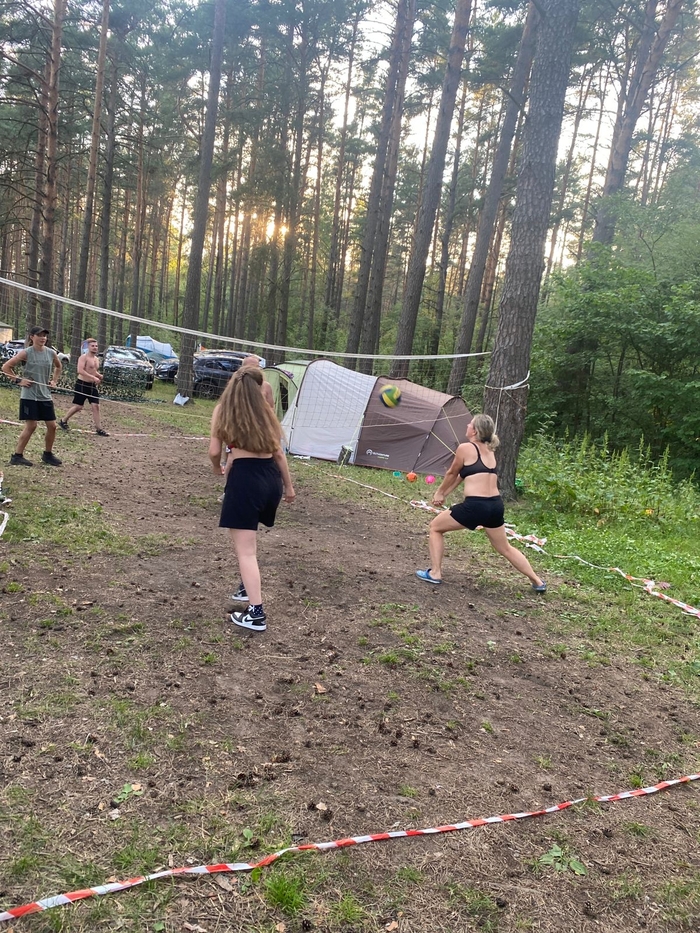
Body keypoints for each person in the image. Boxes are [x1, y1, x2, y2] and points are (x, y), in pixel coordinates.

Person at [416, 413, 546, 592]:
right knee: (505, 548)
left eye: (470, 424)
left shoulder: (465, 448)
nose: (467, 425)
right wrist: (444, 494)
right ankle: (537, 582)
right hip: (495, 506)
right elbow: (463, 475)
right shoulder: (489, 450)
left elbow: (452, 473)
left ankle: (435, 573)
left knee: (435, 527)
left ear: (475, 431)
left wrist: (439, 492)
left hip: (476, 506)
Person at [209, 366, 295, 633]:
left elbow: (214, 451)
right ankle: (247, 585)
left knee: (246, 551)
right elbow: (279, 454)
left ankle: (256, 614)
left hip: (245, 481)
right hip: (270, 480)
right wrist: (289, 488)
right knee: (249, 544)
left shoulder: (223, 411)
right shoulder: (266, 413)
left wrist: (217, 468)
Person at [1, 326, 62, 467]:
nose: (43, 338)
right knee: (32, 425)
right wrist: (18, 380)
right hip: (29, 395)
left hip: (45, 395)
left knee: (52, 426)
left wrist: (54, 381)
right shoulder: (26, 352)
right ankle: (17, 456)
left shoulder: (51, 353)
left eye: (44, 335)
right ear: (32, 337)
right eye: (39, 335)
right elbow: (6, 367)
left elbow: (58, 367)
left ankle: (47, 455)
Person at [59, 337, 109, 436]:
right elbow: (80, 370)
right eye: (92, 346)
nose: (95, 347)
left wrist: (99, 376)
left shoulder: (96, 359)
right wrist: (93, 377)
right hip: (81, 384)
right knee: (78, 406)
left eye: (96, 346)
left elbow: (93, 371)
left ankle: (99, 429)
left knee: (96, 406)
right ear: (88, 347)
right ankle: (63, 420)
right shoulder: (83, 357)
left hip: (92, 386)